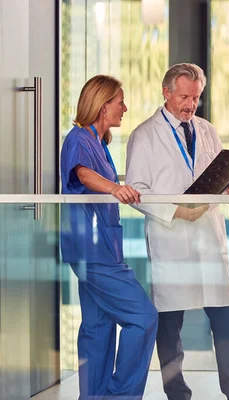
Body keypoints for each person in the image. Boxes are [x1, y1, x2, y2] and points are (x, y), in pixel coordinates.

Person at [125, 63, 229, 400]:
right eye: (184, 96)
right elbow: (135, 190)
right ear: (166, 92)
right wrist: (177, 210)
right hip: (171, 239)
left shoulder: (207, 130)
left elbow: (220, 178)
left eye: (195, 98)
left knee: (225, 319)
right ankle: (177, 393)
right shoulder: (144, 135)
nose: (190, 104)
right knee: (169, 325)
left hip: (208, 237)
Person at [60, 75, 158, 399]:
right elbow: (83, 174)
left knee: (98, 329)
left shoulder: (100, 143)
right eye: (120, 102)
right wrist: (116, 188)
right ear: (103, 106)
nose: (125, 108)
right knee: (143, 318)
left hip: (101, 250)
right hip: (93, 252)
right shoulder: (78, 139)